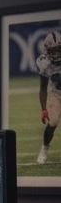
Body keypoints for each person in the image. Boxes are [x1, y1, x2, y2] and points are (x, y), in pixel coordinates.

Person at [35, 29, 61, 165]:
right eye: (53, 50)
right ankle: (44, 149)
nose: (56, 53)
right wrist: (43, 109)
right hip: (57, 94)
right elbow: (43, 88)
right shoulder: (44, 63)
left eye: (58, 49)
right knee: (53, 122)